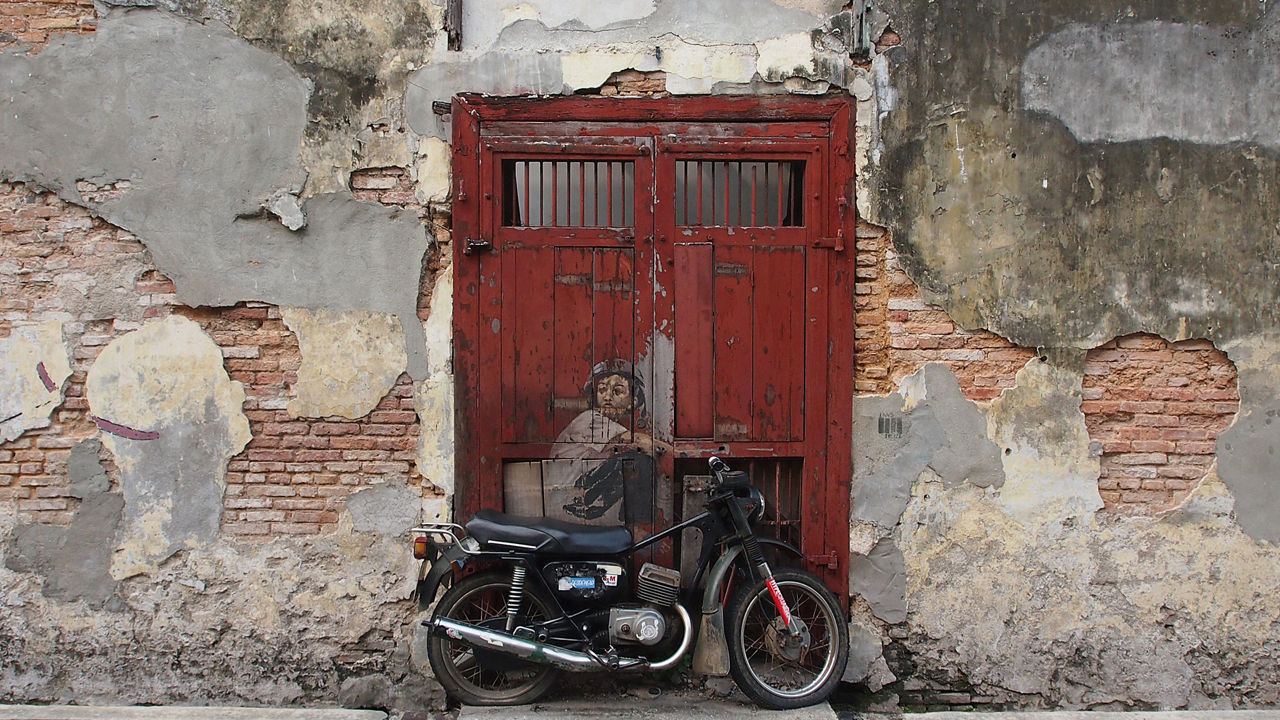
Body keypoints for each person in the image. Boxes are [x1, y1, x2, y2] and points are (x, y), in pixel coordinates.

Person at [553, 360, 667, 523]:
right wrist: (677, 453)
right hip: (566, 506)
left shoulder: (608, 428)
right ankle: (641, 530)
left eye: (617, 391)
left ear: (633, 401)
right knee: (639, 461)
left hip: (578, 505)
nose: (607, 396)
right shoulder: (589, 419)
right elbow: (642, 442)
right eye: (602, 390)